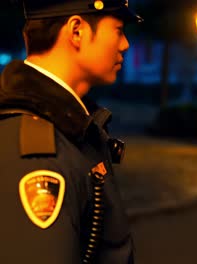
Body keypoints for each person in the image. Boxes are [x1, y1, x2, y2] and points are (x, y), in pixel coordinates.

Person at [0, 0, 142, 263]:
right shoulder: (37, 153)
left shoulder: (72, 126)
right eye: (119, 30)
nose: (125, 44)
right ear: (77, 31)